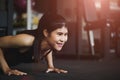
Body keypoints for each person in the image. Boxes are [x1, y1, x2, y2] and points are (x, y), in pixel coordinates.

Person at [0, 13, 68, 76]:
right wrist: (6, 69)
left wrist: (51, 66)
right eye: (59, 34)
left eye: (65, 34)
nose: (63, 39)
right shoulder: (26, 40)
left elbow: (48, 48)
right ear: (46, 33)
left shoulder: (48, 43)